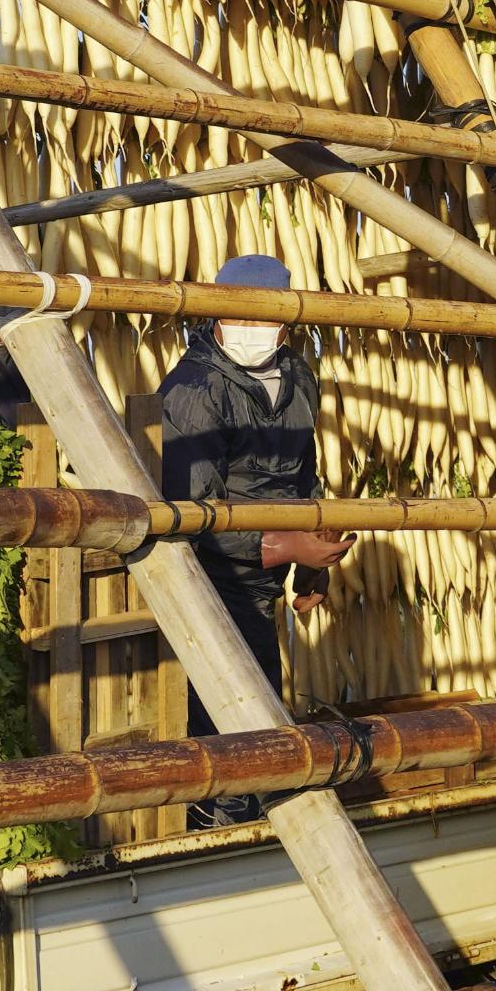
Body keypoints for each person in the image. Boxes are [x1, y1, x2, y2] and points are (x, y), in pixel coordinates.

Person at [156, 253, 351, 825]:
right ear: (217, 314)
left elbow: (304, 476)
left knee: (262, 722)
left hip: (263, 585)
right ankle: (219, 835)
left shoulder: (296, 376)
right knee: (223, 727)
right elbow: (190, 516)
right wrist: (282, 547)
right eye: (242, 316)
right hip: (213, 588)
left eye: (267, 319)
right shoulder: (194, 390)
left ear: (287, 323)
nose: (254, 330)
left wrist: (313, 560)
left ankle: (247, 826)